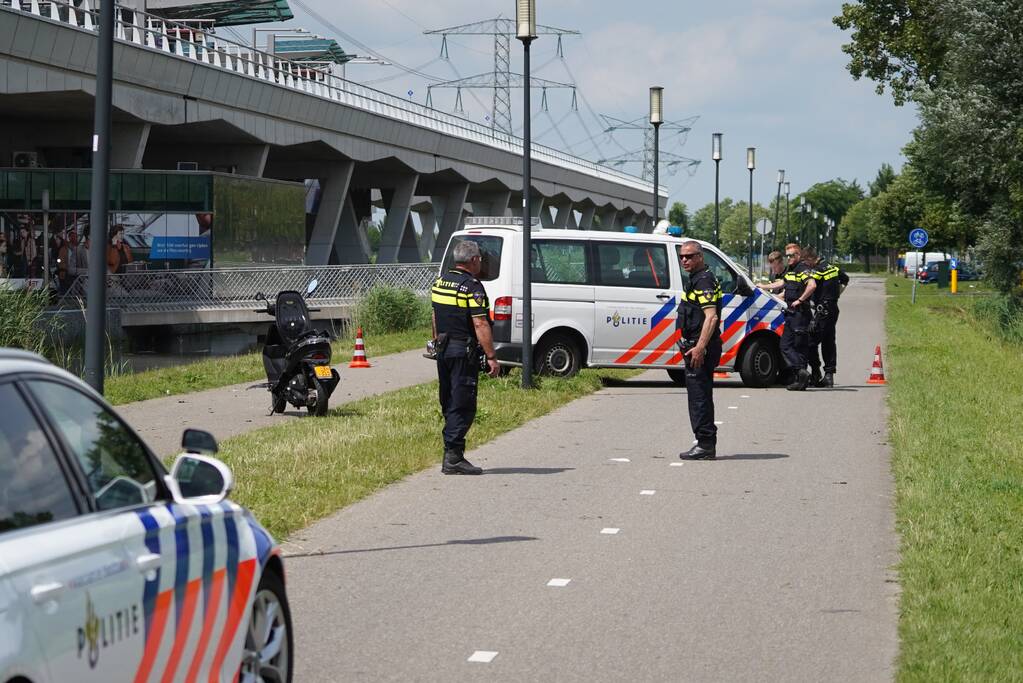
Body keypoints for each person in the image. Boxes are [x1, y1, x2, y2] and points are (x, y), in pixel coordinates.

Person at [431, 240, 500, 475]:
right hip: (462, 352)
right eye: (480, 258)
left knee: (449, 400)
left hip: (443, 350)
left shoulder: (441, 282)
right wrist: (491, 356)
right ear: (473, 260)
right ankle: (453, 457)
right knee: (463, 403)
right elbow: (480, 323)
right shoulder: (472, 287)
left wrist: (436, 341)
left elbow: (434, 315)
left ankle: (452, 454)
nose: (481, 261)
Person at [677, 240, 723, 460]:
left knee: (699, 397)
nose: (684, 260)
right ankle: (704, 442)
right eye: (681, 256)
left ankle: (705, 444)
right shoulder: (697, 278)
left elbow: (711, 316)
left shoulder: (703, 280)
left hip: (700, 348)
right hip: (695, 344)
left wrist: (700, 347)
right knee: (700, 395)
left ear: (700, 256)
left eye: (689, 256)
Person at [757, 243, 816, 391]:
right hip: (791, 313)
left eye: (791, 255)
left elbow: (812, 285)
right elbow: (782, 283)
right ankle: (801, 375)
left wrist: (800, 300)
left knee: (796, 346)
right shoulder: (791, 270)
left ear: (798, 255)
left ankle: (801, 376)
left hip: (800, 313)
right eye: (787, 255)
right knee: (788, 345)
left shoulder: (802, 269)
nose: (788, 258)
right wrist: (762, 287)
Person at [803, 247, 849, 387]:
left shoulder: (817, 271)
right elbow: (845, 279)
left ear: (810, 258)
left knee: (809, 342)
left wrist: (801, 299)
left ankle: (816, 372)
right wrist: (836, 294)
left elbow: (810, 287)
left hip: (822, 311)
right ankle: (829, 375)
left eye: (806, 262)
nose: (807, 265)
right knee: (828, 341)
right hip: (833, 308)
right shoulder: (832, 267)